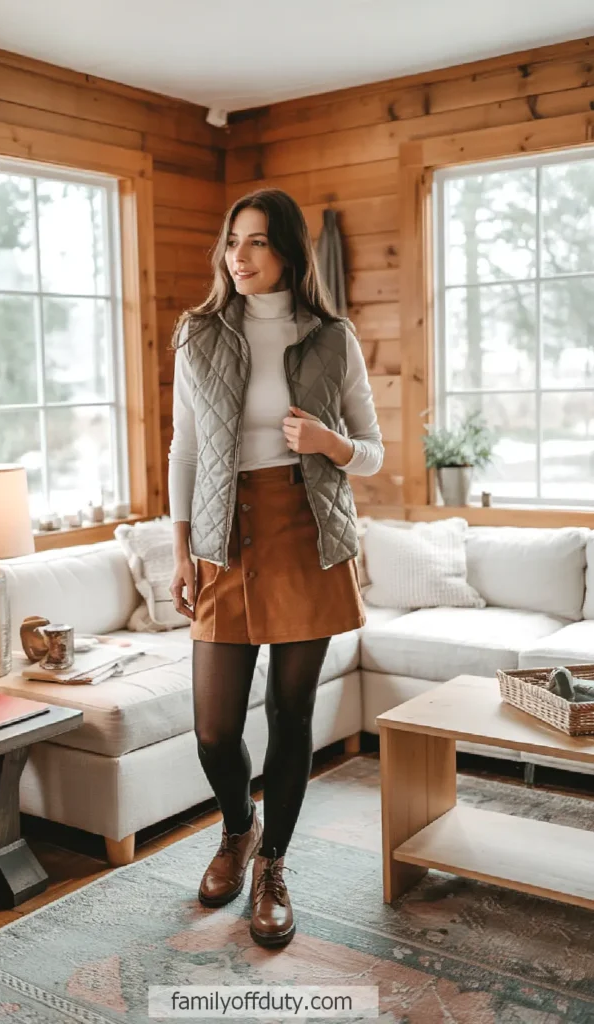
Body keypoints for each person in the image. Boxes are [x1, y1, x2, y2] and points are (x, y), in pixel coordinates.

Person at [167, 187, 384, 948]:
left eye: (256, 242)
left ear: (287, 250)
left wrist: (330, 444)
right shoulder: (198, 333)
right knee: (212, 729)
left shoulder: (331, 337)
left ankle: (273, 867)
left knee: (290, 718)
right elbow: (185, 450)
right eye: (233, 240)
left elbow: (372, 449)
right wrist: (183, 549)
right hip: (224, 538)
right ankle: (238, 827)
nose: (239, 255)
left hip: (305, 532)